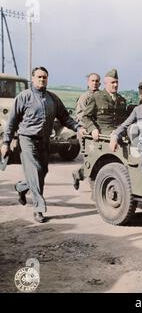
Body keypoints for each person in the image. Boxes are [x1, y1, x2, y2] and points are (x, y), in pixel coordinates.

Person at [0, 66, 85, 223]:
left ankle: (21, 187)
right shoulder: (23, 97)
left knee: (42, 172)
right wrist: (6, 142)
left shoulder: (53, 99)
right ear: (32, 79)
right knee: (35, 170)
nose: (42, 79)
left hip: (44, 141)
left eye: (44, 77)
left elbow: (65, 117)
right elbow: (11, 122)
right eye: (39, 77)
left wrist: (78, 128)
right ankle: (39, 208)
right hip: (27, 140)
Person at [73, 68, 128, 190]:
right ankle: (88, 181)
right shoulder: (97, 97)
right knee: (96, 161)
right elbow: (86, 117)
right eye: (112, 82)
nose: (115, 85)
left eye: (117, 82)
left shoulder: (121, 100)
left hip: (116, 132)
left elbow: (124, 120)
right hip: (101, 134)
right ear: (105, 83)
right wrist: (93, 129)